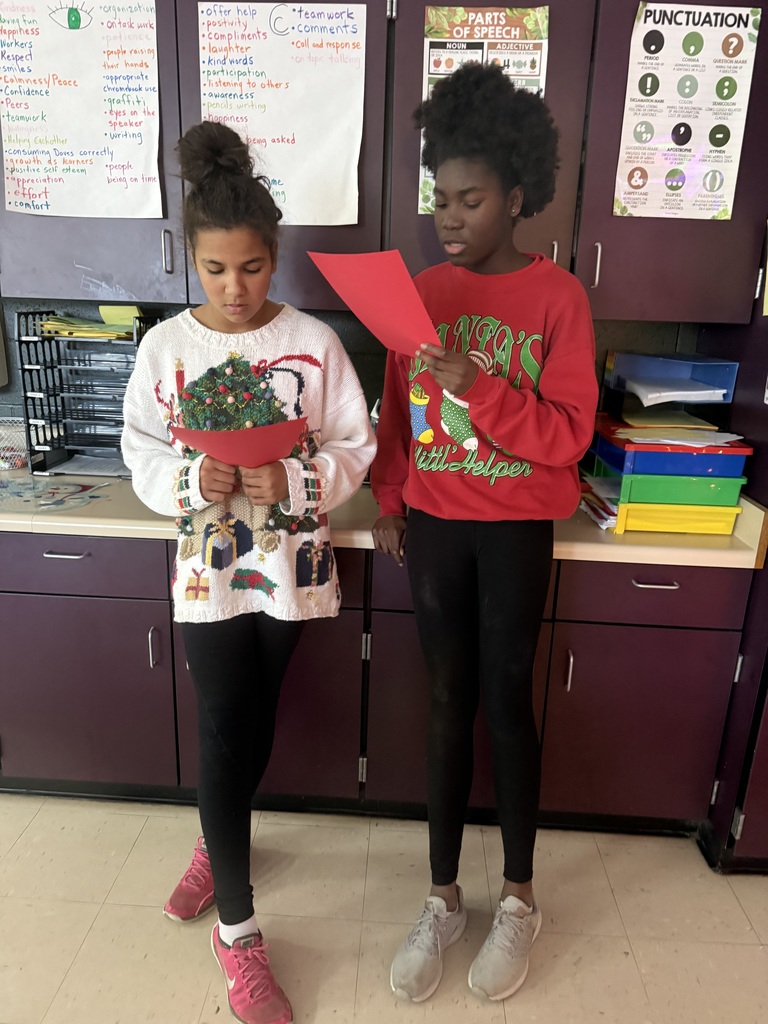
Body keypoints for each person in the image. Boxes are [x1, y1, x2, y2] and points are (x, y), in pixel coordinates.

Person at [121, 120, 376, 1024]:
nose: (236, 288)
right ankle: (239, 932)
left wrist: (297, 479)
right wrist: (194, 478)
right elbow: (141, 451)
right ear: (190, 258)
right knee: (225, 726)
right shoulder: (167, 349)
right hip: (211, 573)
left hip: (291, 567)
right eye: (216, 269)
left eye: (254, 267)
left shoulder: (315, 343)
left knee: (254, 719)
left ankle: (212, 834)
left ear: (276, 257)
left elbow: (356, 445)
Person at [371, 62, 598, 1004]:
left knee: (506, 700)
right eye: (440, 199)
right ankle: (441, 898)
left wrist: (482, 387)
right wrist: (391, 498)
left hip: (513, 531)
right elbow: (395, 413)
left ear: (515, 196)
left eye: (470, 200)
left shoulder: (558, 299)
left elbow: (569, 436)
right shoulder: (421, 291)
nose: (451, 217)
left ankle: (518, 898)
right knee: (442, 700)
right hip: (435, 525)